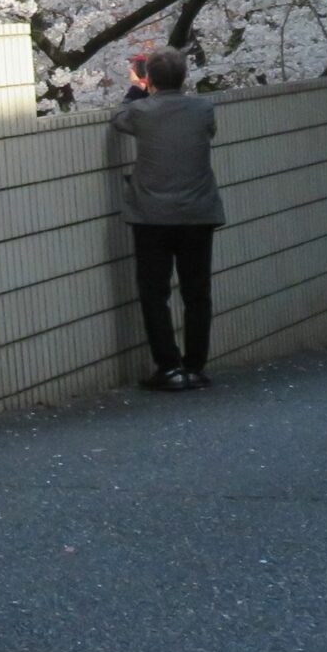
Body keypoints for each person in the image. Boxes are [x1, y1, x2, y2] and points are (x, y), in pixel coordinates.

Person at [110, 46, 226, 393]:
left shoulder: (142, 111)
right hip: (197, 212)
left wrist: (136, 88)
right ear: (184, 77)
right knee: (197, 292)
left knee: (154, 292)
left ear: (149, 78)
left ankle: (168, 366)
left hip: (152, 215)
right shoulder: (204, 108)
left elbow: (118, 118)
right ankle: (195, 366)